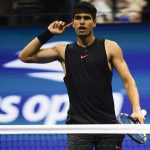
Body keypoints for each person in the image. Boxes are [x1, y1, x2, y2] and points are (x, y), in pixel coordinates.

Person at [19, 1, 145, 150]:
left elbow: (128, 81)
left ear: (94, 23)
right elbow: (25, 56)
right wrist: (48, 33)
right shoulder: (63, 51)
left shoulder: (110, 47)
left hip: (108, 127)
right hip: (77, 128)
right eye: (77, 18)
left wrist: (136, 109)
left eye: (86, 18)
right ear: (72, 23)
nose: (82, 22)